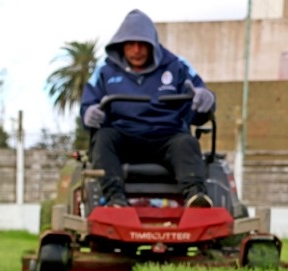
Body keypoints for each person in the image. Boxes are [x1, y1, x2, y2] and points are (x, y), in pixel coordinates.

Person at [80, 9, 216, 208]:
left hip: (168, 137)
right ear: (121, 45)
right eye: (131, 44)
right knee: (103, 138)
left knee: (187, 143)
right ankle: (114, 200)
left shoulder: (177, 66)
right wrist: (89, 113)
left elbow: (200, 105)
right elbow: (88, 104)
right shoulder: (105, 71)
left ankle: (196, 196)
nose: (136, 50)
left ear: (152, 44)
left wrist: (206, 99)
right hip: (123, 137)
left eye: (142, 44)